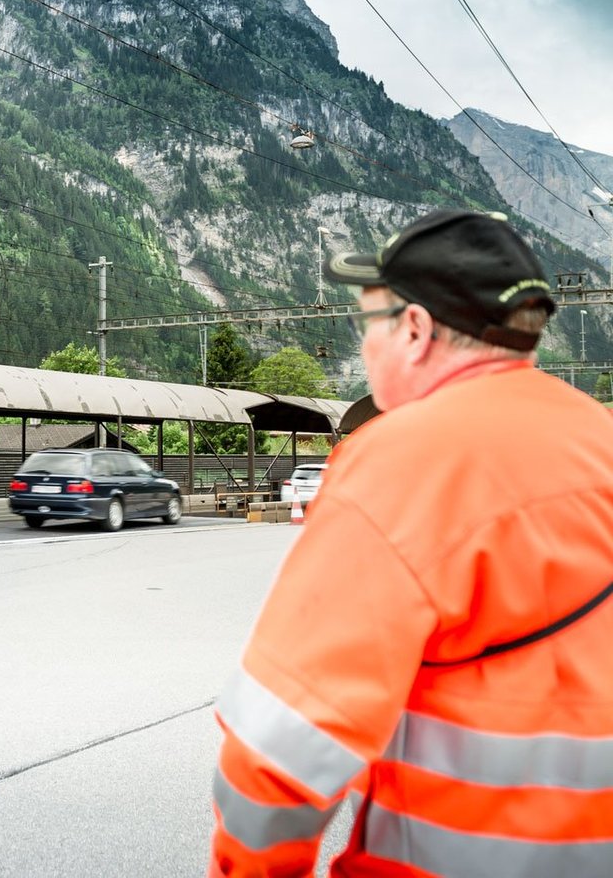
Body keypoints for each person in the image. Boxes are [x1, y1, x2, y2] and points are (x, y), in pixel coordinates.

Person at [210, 209, 613, 877]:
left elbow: (278, 751)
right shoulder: (598, 437)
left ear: (416, 330)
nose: (363, 349)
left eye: (367, 325)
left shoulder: (402, 463)